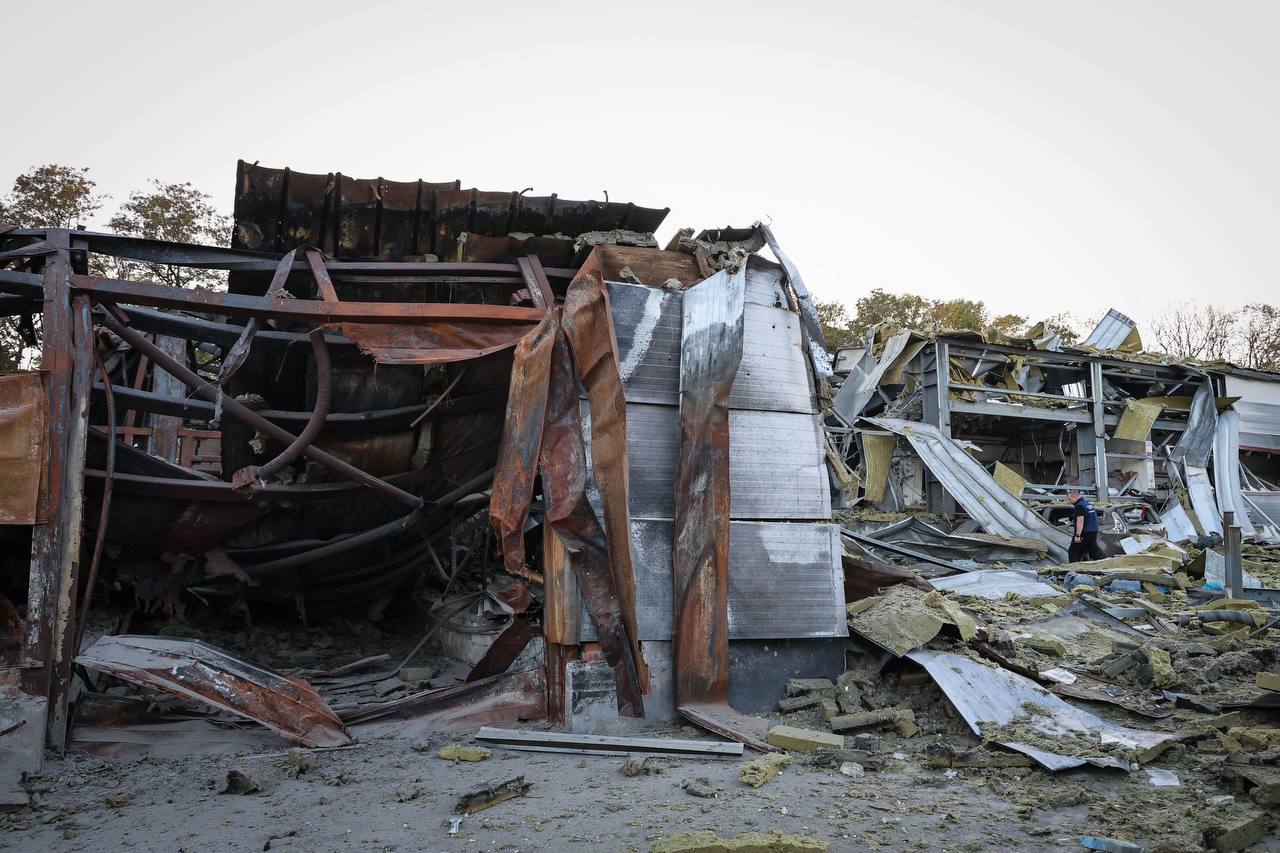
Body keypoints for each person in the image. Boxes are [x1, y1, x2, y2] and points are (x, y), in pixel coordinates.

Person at [1066, 489, 1104, 562]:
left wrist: (1077, 536)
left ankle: (1073, 570)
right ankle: (1106, 564)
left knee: (1073, 551)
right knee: (1094, 551)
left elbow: (1080, 521)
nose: (1069, 501)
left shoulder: (1079, 506)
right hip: (1093, 531)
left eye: (1069, 499)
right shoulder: (1087, 504)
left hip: (1084, 533)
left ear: (1074, 497)